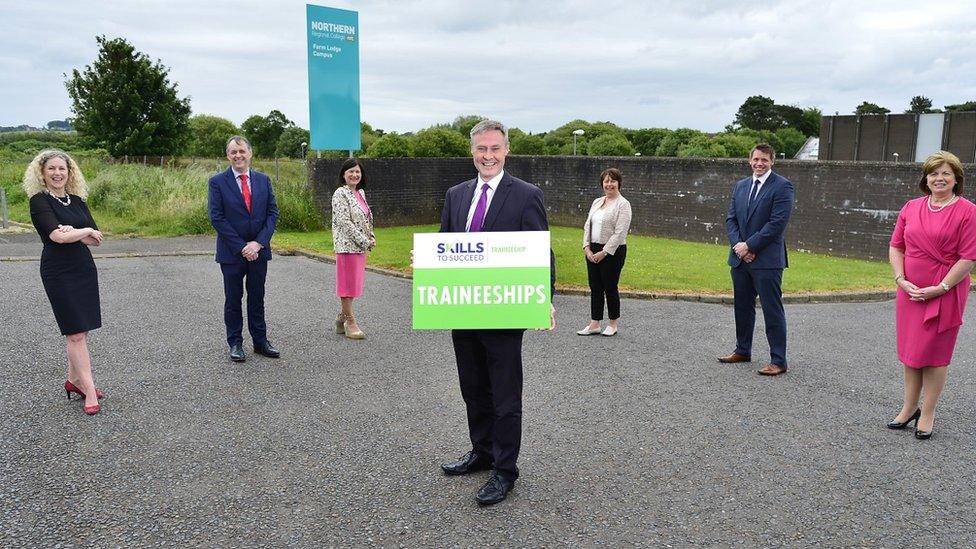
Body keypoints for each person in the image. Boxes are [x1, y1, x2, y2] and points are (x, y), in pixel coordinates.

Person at [438, 119, 555, 506]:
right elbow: (445, 246)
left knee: (505, 396)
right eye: (481, 149)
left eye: (495, 149)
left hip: (504, 311)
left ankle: (505, 470)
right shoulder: (456, 195)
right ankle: (482, 452)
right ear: (471, 152)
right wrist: (426, 262)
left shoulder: (526, 194)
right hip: (462, 309)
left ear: (506, 151)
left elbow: (542, 251)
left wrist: (545, 299)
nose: (488, 156)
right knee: (473, 388)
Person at [887, 150, 976, 440]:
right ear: (926, 178)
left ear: (956, 179)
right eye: (934, 173)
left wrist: (941, 288)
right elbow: (896, 246)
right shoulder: (910, 207)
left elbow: (968, 257)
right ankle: (909, 407)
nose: (939, 178)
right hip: (910, 292)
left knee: (935, 356)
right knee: (912, 353)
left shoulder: (968, 211)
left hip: (945, 292)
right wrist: (900, 279)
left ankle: (928, 412)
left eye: (946, 173)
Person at [24, 150, 105, 415]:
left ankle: (74, 381)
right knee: (75, 332)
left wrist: (76, 232)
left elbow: (96, 239)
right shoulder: (39, 201)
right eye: (52, 169)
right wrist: (82, 231)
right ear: (42, 173)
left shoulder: (78, 200)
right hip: (58, 270)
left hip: (83, 267)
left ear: (70, 172)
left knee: (82, 330)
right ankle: (90, 390)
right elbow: (56, 237)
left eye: (62, 169)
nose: (57, 173)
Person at [718, 143, 795, 376]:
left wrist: (750, 245)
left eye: (764, 160)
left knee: (772, 309)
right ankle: (742, 350)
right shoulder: (741, 186)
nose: (759, 164)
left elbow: (777, 223)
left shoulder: (783, 186)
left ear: (772, 161)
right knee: (742, 306)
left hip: (767, 260)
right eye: (756, 159)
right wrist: (739, 247)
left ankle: (778, 360)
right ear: (749, 160)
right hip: (740, 259)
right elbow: (731, 220)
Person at [207, 136, 280, 362]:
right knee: (233, 298)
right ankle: (235, 343)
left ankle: (260, 341)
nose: (238, 156)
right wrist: (242, 247)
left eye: (241, 151)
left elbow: (272, 214)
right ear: (228, 156)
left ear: (250, 152)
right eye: (233, 152)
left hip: (259, 250)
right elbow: (217, 218)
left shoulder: (263, 180)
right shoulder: (217, 182)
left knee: (257, 297)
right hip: (231, 253)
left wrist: (258, 243)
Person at [577, 168, 632, 337]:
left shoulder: (623, 204)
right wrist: (586, 247)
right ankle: (594, 323)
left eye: (612, 181)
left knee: (610, 287)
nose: (609, 184)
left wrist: (604, 252)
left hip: (612, 252)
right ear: (602, 184)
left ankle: (613, 324)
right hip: (592, 249)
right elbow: (588, 225)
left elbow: (620, 233)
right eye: (606, 181)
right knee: (595, 287)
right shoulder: (597, 202)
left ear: (619, 183)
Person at [331, 158, 375, 339]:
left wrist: (371, 235)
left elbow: (366, 219)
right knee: (347, 286)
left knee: (354, 285)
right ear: (343, 174)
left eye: (357, 172)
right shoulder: (340, 194)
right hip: (346, 246)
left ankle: (341, 318)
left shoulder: (360, 193)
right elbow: (344, 223)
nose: (355, 175)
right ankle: (350, 322)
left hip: (360, 247)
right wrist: (365, 241)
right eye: (351, 171)